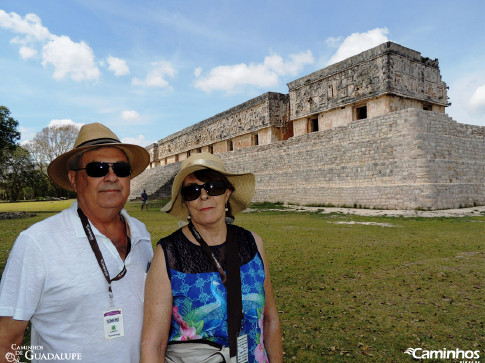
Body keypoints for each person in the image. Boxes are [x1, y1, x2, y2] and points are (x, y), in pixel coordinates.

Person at [0, 123, 154, 363]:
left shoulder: (141, 234)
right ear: (74, 180)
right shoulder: (37, 242)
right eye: (97, 168)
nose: (111, 177)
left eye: (121, 169)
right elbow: (6, 340)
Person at [141, 152, 283, 363]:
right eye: (192, 191)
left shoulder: (253, 244)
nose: (204, 196)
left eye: (213, 187)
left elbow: (270, 319)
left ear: (227, 193)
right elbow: (153, 344)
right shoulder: (169, 253)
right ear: (185, 202)